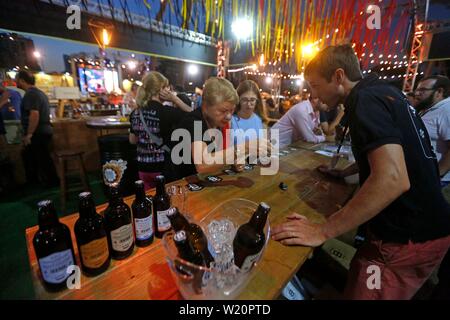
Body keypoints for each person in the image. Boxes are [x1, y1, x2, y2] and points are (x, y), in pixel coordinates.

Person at [272, 44, 450, 300]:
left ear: (338, 76)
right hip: (422, 228)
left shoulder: (365, 100)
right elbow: (395, 153)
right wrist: (346, 173)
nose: (313, 93)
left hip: (406, 237)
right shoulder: (383, 92)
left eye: (314, 84)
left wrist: (322, 231)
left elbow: (392, 179)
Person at [172, 77, 269, 180]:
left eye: (231, 111)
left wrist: (233, 160)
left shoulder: (218, 123)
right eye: (223, 111)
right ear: (205, 106)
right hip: (178, 186)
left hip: (201, 183)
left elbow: (217, 157)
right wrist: (244, 148)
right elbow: (203, 164)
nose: (228, 116)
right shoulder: (194, 121)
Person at [129, 71, 192, 189]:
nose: (169, 90)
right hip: (162, 168)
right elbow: (193, 115)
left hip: (143, 168)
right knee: (165, 201)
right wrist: (175, 99)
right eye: (167, 87)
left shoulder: (136, 112)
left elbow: (132, 140)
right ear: (161, 90)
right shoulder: (166, 112)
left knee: (150, 198)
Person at [16, 70, 59, 187]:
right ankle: (43, 181)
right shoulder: (40, 93)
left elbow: (34, 114)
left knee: (41, 159)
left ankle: (49, 182)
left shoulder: (31, 94)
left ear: (22, 80)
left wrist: (29, 134)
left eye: (17, 79)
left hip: (38, 132)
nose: (15, 81)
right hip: (44, 130)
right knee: (38, 157)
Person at [415, 75, 450, 187]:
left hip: (436, 181)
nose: (417, 94)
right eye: (417, 90)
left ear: (439, 92)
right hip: (423, 176)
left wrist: (437, 175)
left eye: (422, 90)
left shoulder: (446, 110)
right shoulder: (430, 108)